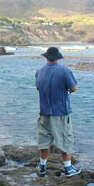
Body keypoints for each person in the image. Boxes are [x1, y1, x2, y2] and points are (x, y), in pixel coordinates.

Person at [35, 47, 81, 177]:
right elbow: (74, 88)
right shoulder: (64, 70)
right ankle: (68, 169)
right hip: (60, 111)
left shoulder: (39, 71)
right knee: (65, 139)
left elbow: (38, 87)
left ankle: (42, 167)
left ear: (47, 57)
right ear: (57, 58)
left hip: (44, 112)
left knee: (44, 140)